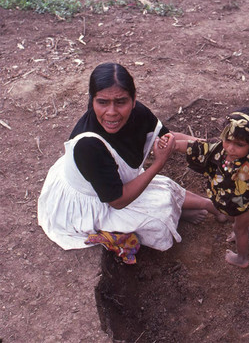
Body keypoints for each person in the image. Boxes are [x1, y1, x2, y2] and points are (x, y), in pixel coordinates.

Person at [38, 63, 221, 260]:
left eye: (120, 102)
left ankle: (211, 205)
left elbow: (169, 138)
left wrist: (216, 151)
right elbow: (118, 201)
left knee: (165, 190)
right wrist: (158, 164)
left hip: (112, 180)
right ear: (92, 101)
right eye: (103, 102)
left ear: (133, 100)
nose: (111, 112)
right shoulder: (88, 145)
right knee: (159, 218)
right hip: (92, 200)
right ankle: (185, 212)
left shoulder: (138, 113)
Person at [161, 108, 249, 268]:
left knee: (238, 228)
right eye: (227, 140)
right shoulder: (222, 148)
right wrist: (174, 145)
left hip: (248, 203)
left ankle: (242, 258)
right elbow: (200, 146)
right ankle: (246, 230)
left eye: (239, 144)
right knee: (237, 222)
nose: (230, 148)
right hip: (235, 198)